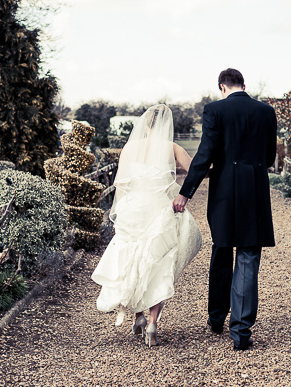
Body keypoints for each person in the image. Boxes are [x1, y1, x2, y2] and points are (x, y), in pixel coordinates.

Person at [173, 68, 277, 351]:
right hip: (255, 189)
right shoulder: (266, 112)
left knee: (222, 249)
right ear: (244, 85)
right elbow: (269, 157)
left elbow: (205, 155)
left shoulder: (214, 110)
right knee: (248, 254)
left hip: (224, 192)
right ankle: (241, 331)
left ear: (222, 87)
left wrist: (186, 193)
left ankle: (216, 318)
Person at [92, 104, 202, 348]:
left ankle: (138, 317)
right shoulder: (172, 148)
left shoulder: (130, 148)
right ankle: (152, 322)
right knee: (158, 262)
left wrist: (119, 212)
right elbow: (198, 170)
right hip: (159, 210)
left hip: (133, 208)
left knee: (133, 259)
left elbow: (121, 184)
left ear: (146, 124)